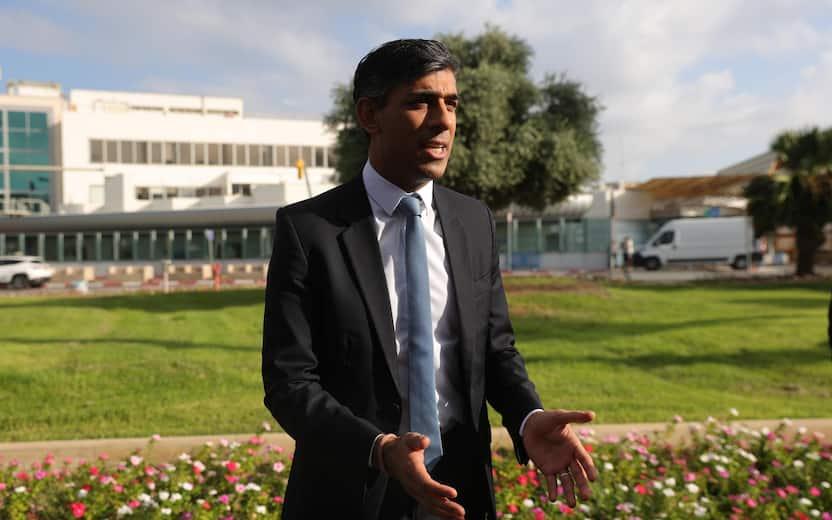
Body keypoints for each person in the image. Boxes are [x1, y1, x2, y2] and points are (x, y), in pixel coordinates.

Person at [262, 39, 597, 520]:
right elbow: (289, 382)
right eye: (421, 102)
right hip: (350, 492)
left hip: (461, 492)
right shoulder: (309, 229)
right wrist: (380, 449)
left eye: (452, 103)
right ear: (369, 115)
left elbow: (495, 349)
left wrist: (528, 416)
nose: (444, 121)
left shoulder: (473, 220)